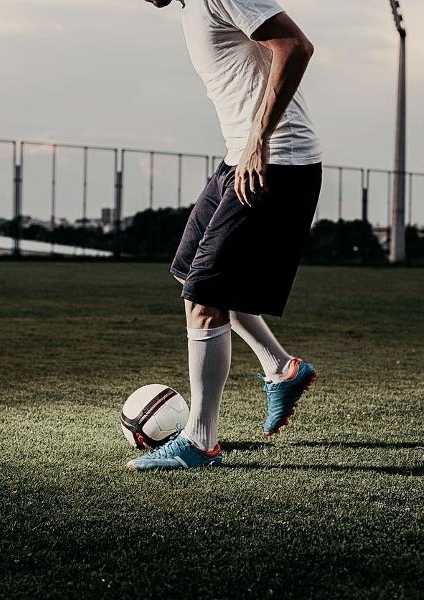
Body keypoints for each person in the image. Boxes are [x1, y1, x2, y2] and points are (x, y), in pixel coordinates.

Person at [127, 0, 322, 471]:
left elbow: (295, 46)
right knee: (188, 275)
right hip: (239, 157)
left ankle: (199, 440)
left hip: (276, 161)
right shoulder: (190, 7)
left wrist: (259, 139)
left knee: (205, 297)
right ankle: (281, 368)